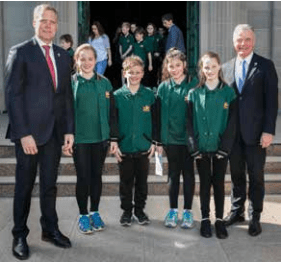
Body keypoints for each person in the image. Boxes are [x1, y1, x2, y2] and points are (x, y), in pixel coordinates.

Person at [5, 4, 74, 260]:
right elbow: (13, 96)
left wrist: (69, 130)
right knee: (24, 186)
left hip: (55, 134)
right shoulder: (20, 52)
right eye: (43, 21)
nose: (48, 26)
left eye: (52, 22)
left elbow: (66, 96)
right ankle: (19, 234)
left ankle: (50, 229)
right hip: (29, 136)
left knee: (49, 185)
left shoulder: (63, 55)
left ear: (57, 26)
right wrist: (23, 134)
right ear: (34, 23)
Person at [222, 24, 278, 236]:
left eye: (247, 39)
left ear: (253, 41)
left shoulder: (265, 66)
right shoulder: (226, 68)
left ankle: (255, 216)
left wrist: (269, 130)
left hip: (256, 134)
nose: (243, 43)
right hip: (233, 135)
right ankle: (237, 212)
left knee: (256, 176)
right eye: (239, 40)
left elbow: (272, 102)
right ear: (233, 42)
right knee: (236, 175)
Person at [66, 43, 117, 234]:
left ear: (96, 60)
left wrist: (113, 138)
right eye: (82, 58)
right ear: (76, 61)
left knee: (96, 176)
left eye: (90, 59)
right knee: (83, 177)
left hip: (100, 139)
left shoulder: (105, 83)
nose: (87, 63)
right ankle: (83, 214)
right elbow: (65, 113)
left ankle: (95, 211)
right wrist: (66, 135)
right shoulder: (70, 83)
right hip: (80, 139)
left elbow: (112, 113)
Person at [187, 52, 237, 239]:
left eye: (213, 66)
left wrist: (225, 147)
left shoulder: (228, 92)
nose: (210, 70)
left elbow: (232, 122)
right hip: (201, 148)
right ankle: (206, 219)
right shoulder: (194, 93)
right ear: (201, 69)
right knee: (205, 183)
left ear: (219, 67)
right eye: (206, 67)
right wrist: (193, 146)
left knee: (218, 183)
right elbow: (189, 123)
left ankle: (219, 220)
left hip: (220, 148)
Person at [112, 55, 157, 227]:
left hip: (143, 147)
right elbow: (113, 121)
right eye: (131, 72)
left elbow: (155, 120)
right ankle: (126, 211)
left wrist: (153, 142)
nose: (134, 75)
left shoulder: (149, 95)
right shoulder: (117, 96)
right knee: (125, 182)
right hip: (124, 148)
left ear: (143, 73)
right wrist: (115, 142)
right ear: (124, 73)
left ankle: (139, 210)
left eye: (138, 72)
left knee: (142, 182)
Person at [156, 48, 197, 229]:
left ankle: (187, 211)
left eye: (178, 65)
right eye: (171, 66)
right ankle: (173, 210)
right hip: (170, 140)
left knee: (188, 175)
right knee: (173, 175)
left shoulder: (194, 84)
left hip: (189, 141)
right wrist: (159, 141)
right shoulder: (163, 87)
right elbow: (158, 116)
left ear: (184, 65)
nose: (175, 69)